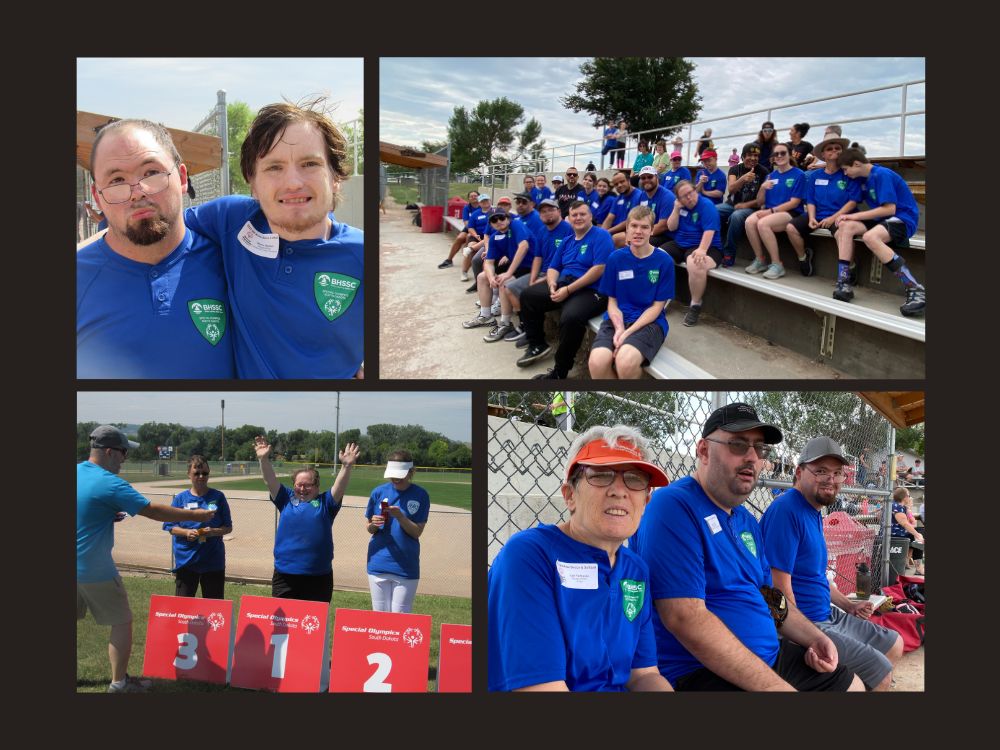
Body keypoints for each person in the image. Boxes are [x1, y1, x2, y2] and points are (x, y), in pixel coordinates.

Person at [632, 404, 862, 691]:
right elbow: (684, 617)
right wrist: (771, 687)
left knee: (853, 685)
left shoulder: (745, 520)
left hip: (769, 658)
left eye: (759, 448)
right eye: (738, 445)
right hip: (702, 671)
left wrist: (813, 637)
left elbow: (770, 595)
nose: (752, 457)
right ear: (703, 451)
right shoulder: (673, 506)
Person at [184, 98, 364, 378]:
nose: (293, 183)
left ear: (335, 176)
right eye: (274, 167)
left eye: (310, 163)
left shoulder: (362, 255)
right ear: (252, 182)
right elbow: (157, 230)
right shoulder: (231, 219)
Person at [489, 425, 673, 691]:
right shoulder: (530, 556)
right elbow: (540, 687)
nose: (619, 491)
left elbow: (643, 674)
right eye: (601, 475)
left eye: (634, 479)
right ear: (570, 495)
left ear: (645, 502)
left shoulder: (635, 569)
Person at [77, 120, 235, 379]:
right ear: (98, 197)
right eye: (117, 179)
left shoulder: (230, 260)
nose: (137, 192)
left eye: (151, 173)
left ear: (182, 178)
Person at [78, 426, 217, 692]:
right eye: (123, 452)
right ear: (109, 452)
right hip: (93, 568)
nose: (124, 458)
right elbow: (152, 510)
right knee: (122, 621)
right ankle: (119, 683)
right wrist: (197, 516)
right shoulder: (109, 481)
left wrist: (102, 514)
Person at [760, 437, 904, 690]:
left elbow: (816, 576)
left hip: (828, 613)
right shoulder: (786, 510)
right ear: (799, 472)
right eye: (821, 471)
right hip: (807, 622)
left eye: (837, 473)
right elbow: (776, 587)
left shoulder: (812, 510)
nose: (831, 479)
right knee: (881, 673)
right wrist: (801, 637)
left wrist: (849, 605)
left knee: (895, 644)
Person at [254, 436, 359, 602]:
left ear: (317, 486)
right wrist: (263, 459)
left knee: (314, 625)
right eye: (298, 484)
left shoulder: (326, 503)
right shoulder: (285, 498)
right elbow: (270, 480)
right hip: (285, 575)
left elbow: (339, 487)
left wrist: (346, 466)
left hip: (318, 576)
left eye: (307, 485)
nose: (302, 488)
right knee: (283, 625)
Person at [517, 200, 612, 379]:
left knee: (571, 318)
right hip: (565, 284)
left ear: (591, 216)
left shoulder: (601, 235)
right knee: (528, 296)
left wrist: (568, 290)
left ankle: (560, 372)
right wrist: (552, 283)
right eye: (574, 215)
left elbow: (599, 269)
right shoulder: (568, 240)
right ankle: (537, 344)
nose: (578, 218)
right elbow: (553, 267)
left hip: (592, 290)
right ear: (568, 218)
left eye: (583, 214)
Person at [832, 148, 926, 316]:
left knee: (870, 237)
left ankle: (914, 287)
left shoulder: (882, 174)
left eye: (846, 169)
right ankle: (844, 281)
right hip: (881, 220)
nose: (845, 174)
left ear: (857, 164)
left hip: (903, 218)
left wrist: (853, 216)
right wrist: (843, 217)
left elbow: (889, 210)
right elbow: (854, 201)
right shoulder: (858, 178)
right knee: (844, 228)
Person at [589, 206, 675, 379]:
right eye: (634, 226)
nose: (638, 231)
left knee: (625, 362)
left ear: (652, 231)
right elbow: (612, 302)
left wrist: (627, 333)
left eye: (644, 227)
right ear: (627, 229)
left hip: (650, 322)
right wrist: (620, 328)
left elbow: (657, 308)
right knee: (597, 363)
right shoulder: (616, 258)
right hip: (619, 317)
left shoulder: (664, 261)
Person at [499, 198, 575, 346]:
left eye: (550, 210)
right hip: (542, 273)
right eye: (543, 211)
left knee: (529, 294)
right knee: (510, 289)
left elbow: (568, 263)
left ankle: (534, 335)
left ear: (559, 211)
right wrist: (533, 278)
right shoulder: (542, 230)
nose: (547, 214)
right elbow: (538, 258)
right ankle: (525, 327)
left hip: (559, 275)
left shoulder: (568, 229)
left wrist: (542, 280)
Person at [784, 131, 860, 278]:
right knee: (791, 227)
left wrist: (833, 218)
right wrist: (812, 217)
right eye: (829, 149)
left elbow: (853, 201)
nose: (834, 151)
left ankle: (850, 267)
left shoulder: (848, 173)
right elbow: (810, 200)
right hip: (818, 214)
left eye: (838, 148)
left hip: (841, 216)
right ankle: (803, 258)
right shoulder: (814, 176)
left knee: (842, 235)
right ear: (823, 155)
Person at [365, 451, 431, 613]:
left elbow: (416, 532)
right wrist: (374, 524)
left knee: (400, 620)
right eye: (392, 475)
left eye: (399, 475)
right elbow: (369, 528)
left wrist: (400, 516)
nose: (395, 479)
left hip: (405, 567)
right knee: (379, 620)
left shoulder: (421, 495)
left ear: (411, 472)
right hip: (378, 564)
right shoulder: (378, 492)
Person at [163, 455, 233, 599]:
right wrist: (186, 532)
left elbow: (228, 527)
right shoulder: (180, 499)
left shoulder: (218, 497)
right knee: (183, 609)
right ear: (189, 474)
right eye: (197, 473)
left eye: (205, 473)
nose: (201, 476)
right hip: (186, 561)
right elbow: (170, 526)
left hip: (213, 561)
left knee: (214, 608)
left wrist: (212, 532)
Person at [663, 180, 723, 327]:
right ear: (679, 199)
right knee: (658, 257)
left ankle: (695, 304)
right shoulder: (679, 206)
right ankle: (661, 296)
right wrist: (676, 209)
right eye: (684, 196)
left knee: (696, 263)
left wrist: (702, 249)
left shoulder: (706, 205)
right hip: (681, 243)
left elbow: (709, 231)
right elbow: (671, 227)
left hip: (707, 245)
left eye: (691, 192)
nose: (689, 197)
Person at [463, 206, 531, 332]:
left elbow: (524, 247)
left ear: (508, 218)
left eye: (501, 217)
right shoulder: (494, 238)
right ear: (490, 224)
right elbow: (489, 263)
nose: (498, 221)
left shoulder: (516, 225)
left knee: (503, 281)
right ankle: (486, 315)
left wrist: (508, 273)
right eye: (494, 220)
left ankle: (505, 323)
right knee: (482, 277)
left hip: (529, 266)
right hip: (515, 267)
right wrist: (491, 278)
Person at [744, 144, 806, 280]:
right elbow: (760, 202)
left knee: (762, 223)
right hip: (770, 211)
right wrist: (762, 188)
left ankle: (777, 265)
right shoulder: (770, 176)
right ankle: (760, 260)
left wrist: (770, 211)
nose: (779, 156)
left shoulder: (799, 174)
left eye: (782, 153)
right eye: (775, 154)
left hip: (791, 212)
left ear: (790, 154)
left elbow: (794, 202)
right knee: (749, 221)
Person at [717, 143, 769, 267]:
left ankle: (729, 253)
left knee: (736, 216)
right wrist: (743, 179)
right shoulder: (735, 169)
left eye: (756, 155)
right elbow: (731, 189)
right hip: (731, 204)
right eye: (750, 155)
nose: (753, 158)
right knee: (713, 211)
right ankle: (716, 247)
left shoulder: (764, 172)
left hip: (752, 208)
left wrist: (745, 205)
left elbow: (762, 200)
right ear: (742, 156)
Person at [614, 166, 675, 247]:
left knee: (627, 241)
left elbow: (663, 226)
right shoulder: (642, 195)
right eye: (643, 178)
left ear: (656, 177)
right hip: (647, 230)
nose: (646, 180)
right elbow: (635, 217)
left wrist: (637, 235)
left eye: (650, 177)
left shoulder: (667, 196)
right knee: (617, 238)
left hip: (664, 235)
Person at [438, 189, 479, 269]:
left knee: (468, 238)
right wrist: (471, 230)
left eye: (475, 196)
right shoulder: (467, 207)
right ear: (468, 199)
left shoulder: (483, 206)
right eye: (471, 196)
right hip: (469, 227)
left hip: (481, 228)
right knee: (460, 238)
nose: (473, 197)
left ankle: (467, 262)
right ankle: (449, 260)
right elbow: (466, 222)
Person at [891, 487, 925, 576]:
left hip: (901, 533)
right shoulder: (896, 506)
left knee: (921, 532)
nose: (910, 498)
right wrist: (917, 535)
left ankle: (916, 565)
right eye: (909, 496)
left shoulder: (901, 507)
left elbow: (912, 522)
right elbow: (905, 524)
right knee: (919, 534)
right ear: (905, 497)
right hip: (895, 534)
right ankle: (918, 568)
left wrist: (908, 508)